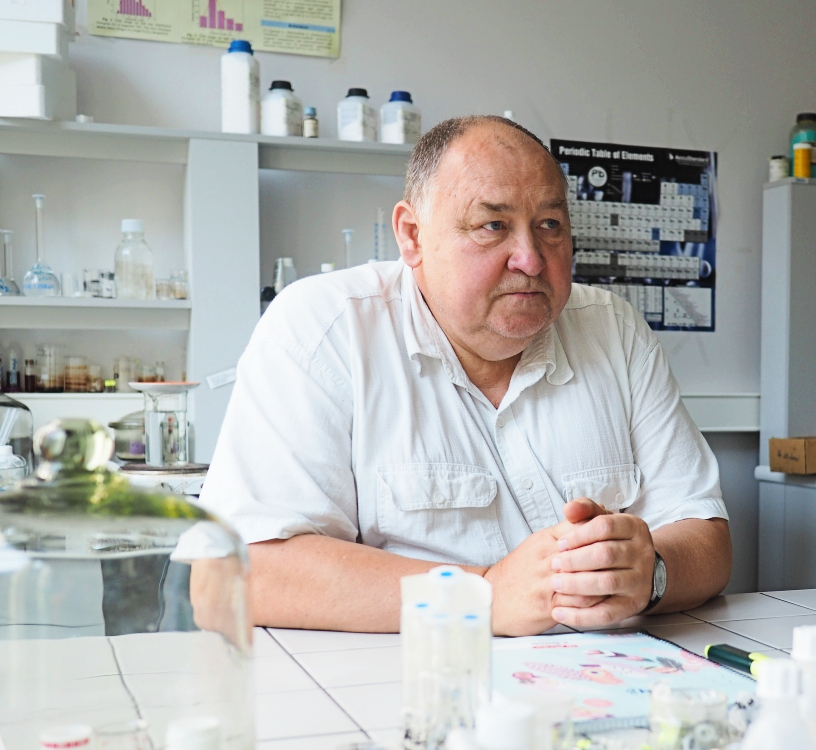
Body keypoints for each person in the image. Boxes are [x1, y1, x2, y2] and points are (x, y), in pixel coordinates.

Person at [197, 115, 731, 636]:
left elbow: (707, 538)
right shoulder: (325, 329)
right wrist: (483, 596)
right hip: (415, 679)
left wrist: (651, 575)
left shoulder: (613, 329)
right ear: (412, 236)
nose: (530, 259)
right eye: (492, 226)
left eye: (549, 225)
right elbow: (232, 575)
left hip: (608, 678)